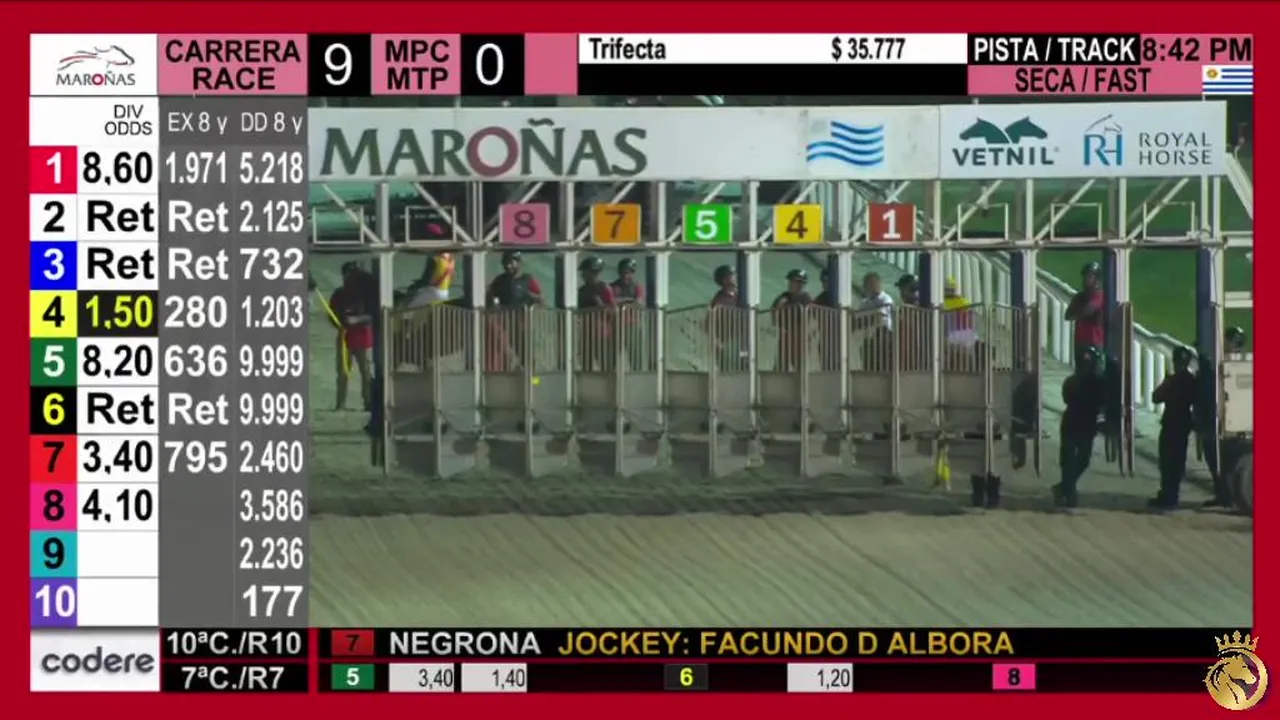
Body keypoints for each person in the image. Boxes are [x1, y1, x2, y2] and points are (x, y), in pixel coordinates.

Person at [1053, 346, 1107, 508]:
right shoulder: (1076, 381)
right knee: (1069, 459)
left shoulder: (1094, 383)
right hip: (1075, 422)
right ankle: (1068, 492)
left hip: (1083, 423)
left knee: (1082, 459)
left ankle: (1065, 488)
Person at [1148, 347, 1197, 509]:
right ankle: (1169, 494)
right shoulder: (1191, 381)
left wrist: (1166, 382)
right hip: (1182, 424)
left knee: (1169, 462)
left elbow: (1156, 397)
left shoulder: (1174, 380)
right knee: (1174, 462)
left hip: (1172, 423)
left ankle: (1169, 495)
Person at [328, 261, 376, 411]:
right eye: (348, 275)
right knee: (342, 371)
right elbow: (331, 314)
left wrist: (357, 319)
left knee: (366, 371)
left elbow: (373, 315)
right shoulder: (339, 294)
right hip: (345, 336)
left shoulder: (366, 294)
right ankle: (340, 403)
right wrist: (339, 324)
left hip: (363, 336)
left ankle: (368, 402)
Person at [485, 250, 543, 371]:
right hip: (504, 324)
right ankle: (509, 374)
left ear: (519, 263)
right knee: (505, 353)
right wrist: (491, 303)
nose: (508, 266)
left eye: (511, 263)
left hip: (522, 324)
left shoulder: (527, 279)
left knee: (526, 355)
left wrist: (531, 296)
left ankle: (529, 376)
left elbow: (540, 298)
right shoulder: (500, 280)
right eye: (505, 263)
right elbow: (489, 295)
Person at [577, 255, 617, 370]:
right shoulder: (582, 291)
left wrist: (601, 306)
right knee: (585, 365)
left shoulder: (604, 288)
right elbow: (579, 311)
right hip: (586, 334)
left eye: (585, 272)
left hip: (602, 334)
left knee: (606, 366)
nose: (582, 275)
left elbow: (613, 311)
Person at [771, 268, 813, 371]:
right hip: (785, 336)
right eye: (794, 281)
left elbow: (807, 315)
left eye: (801, 282)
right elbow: (774, 310)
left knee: (799, 368)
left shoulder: (806, 298)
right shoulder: (784, 296)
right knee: (780, 367)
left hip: (800, 337)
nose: (798, 285)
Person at [1065, 261, 1105, 367]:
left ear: (1097, 279)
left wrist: (1079, 311)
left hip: (1095, 342)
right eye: (1085, 276)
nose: (1085, 279)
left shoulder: (1099, 295)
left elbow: (1088, 310)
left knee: (1096, 372)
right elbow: (1068, 315)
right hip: (1080, 342)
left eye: (1089, 276)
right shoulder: (1079, 297)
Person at [610, 258, 647, 370]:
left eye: (628, 273)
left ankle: (637, 377)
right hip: (615, 326)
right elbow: (611, 304)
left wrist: (622, 304)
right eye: (623, 272)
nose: (625, 276)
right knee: (612, 358)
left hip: (633, 326)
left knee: (635, 358)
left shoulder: (636, 287)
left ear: (632, 273)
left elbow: (639, 304)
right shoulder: (613, 287)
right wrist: (629, 302)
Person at [709, 265, 746, 371]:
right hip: (726, 342)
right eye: (732, 275)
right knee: (727, 369)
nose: (735, 277)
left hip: (741, 341)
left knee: (744, 365)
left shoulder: (741, 295)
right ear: (724, 280)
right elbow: (709, 323)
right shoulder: (719, 300)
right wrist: (716, 342)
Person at [856, 272, 894, 371]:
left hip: (885, 334)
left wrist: (867, 316)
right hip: (870, 336)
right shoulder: (865, 302)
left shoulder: (886, 299)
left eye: (870, 284)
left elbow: (879, 317)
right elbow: (858, 318)